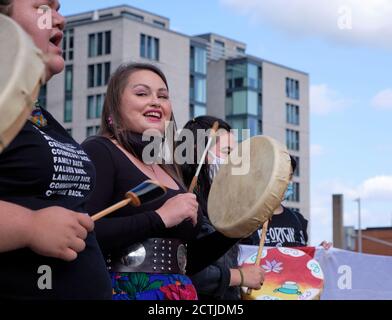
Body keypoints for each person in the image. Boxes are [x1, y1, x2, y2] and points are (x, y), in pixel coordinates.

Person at [82, 63, 239, 300]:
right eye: (142, 93)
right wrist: (160, 217)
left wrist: (234, 231)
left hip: (178, 292)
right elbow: (84, 231)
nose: (156, 101)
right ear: (114, 106)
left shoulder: (168, 167)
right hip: (123, 291)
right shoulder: (99, 150)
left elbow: (187, 260)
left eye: (163, 96)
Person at [0, 0, 112, 299]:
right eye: (42, 7)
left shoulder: (38, 116)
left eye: (59, 8)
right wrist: (28, 226)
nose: (60, 19)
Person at [180, 116, 265, 300]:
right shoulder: (183, 200)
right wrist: (240, 276)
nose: (233, 161)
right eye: (227, 152)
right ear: (197, 151)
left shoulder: (224, 202)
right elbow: (182, 268)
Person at [242, 156, 309, 247]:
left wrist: (320, 250)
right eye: (281, 176)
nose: (288, 182)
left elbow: (302, 256)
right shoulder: (246, 220)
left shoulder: (298, 220)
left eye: (290, 176)